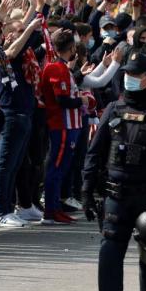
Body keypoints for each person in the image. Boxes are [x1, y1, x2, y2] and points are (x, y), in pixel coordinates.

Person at [79, 47, 146, 291]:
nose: (130, 79)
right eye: (128, 74)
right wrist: (86, 190)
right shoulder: (114, 109)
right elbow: (94, 154)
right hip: (116, 194)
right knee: (109, 251)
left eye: (136, 75)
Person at [39, 29, 87, 225]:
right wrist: (81, 100)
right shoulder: (56, 68)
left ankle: (55, 207)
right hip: (62, 124)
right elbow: (62, 100)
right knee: (56, 167)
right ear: (71, 48)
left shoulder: (63, 67)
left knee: (63, 167)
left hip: (69, 125)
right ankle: (50, 210)